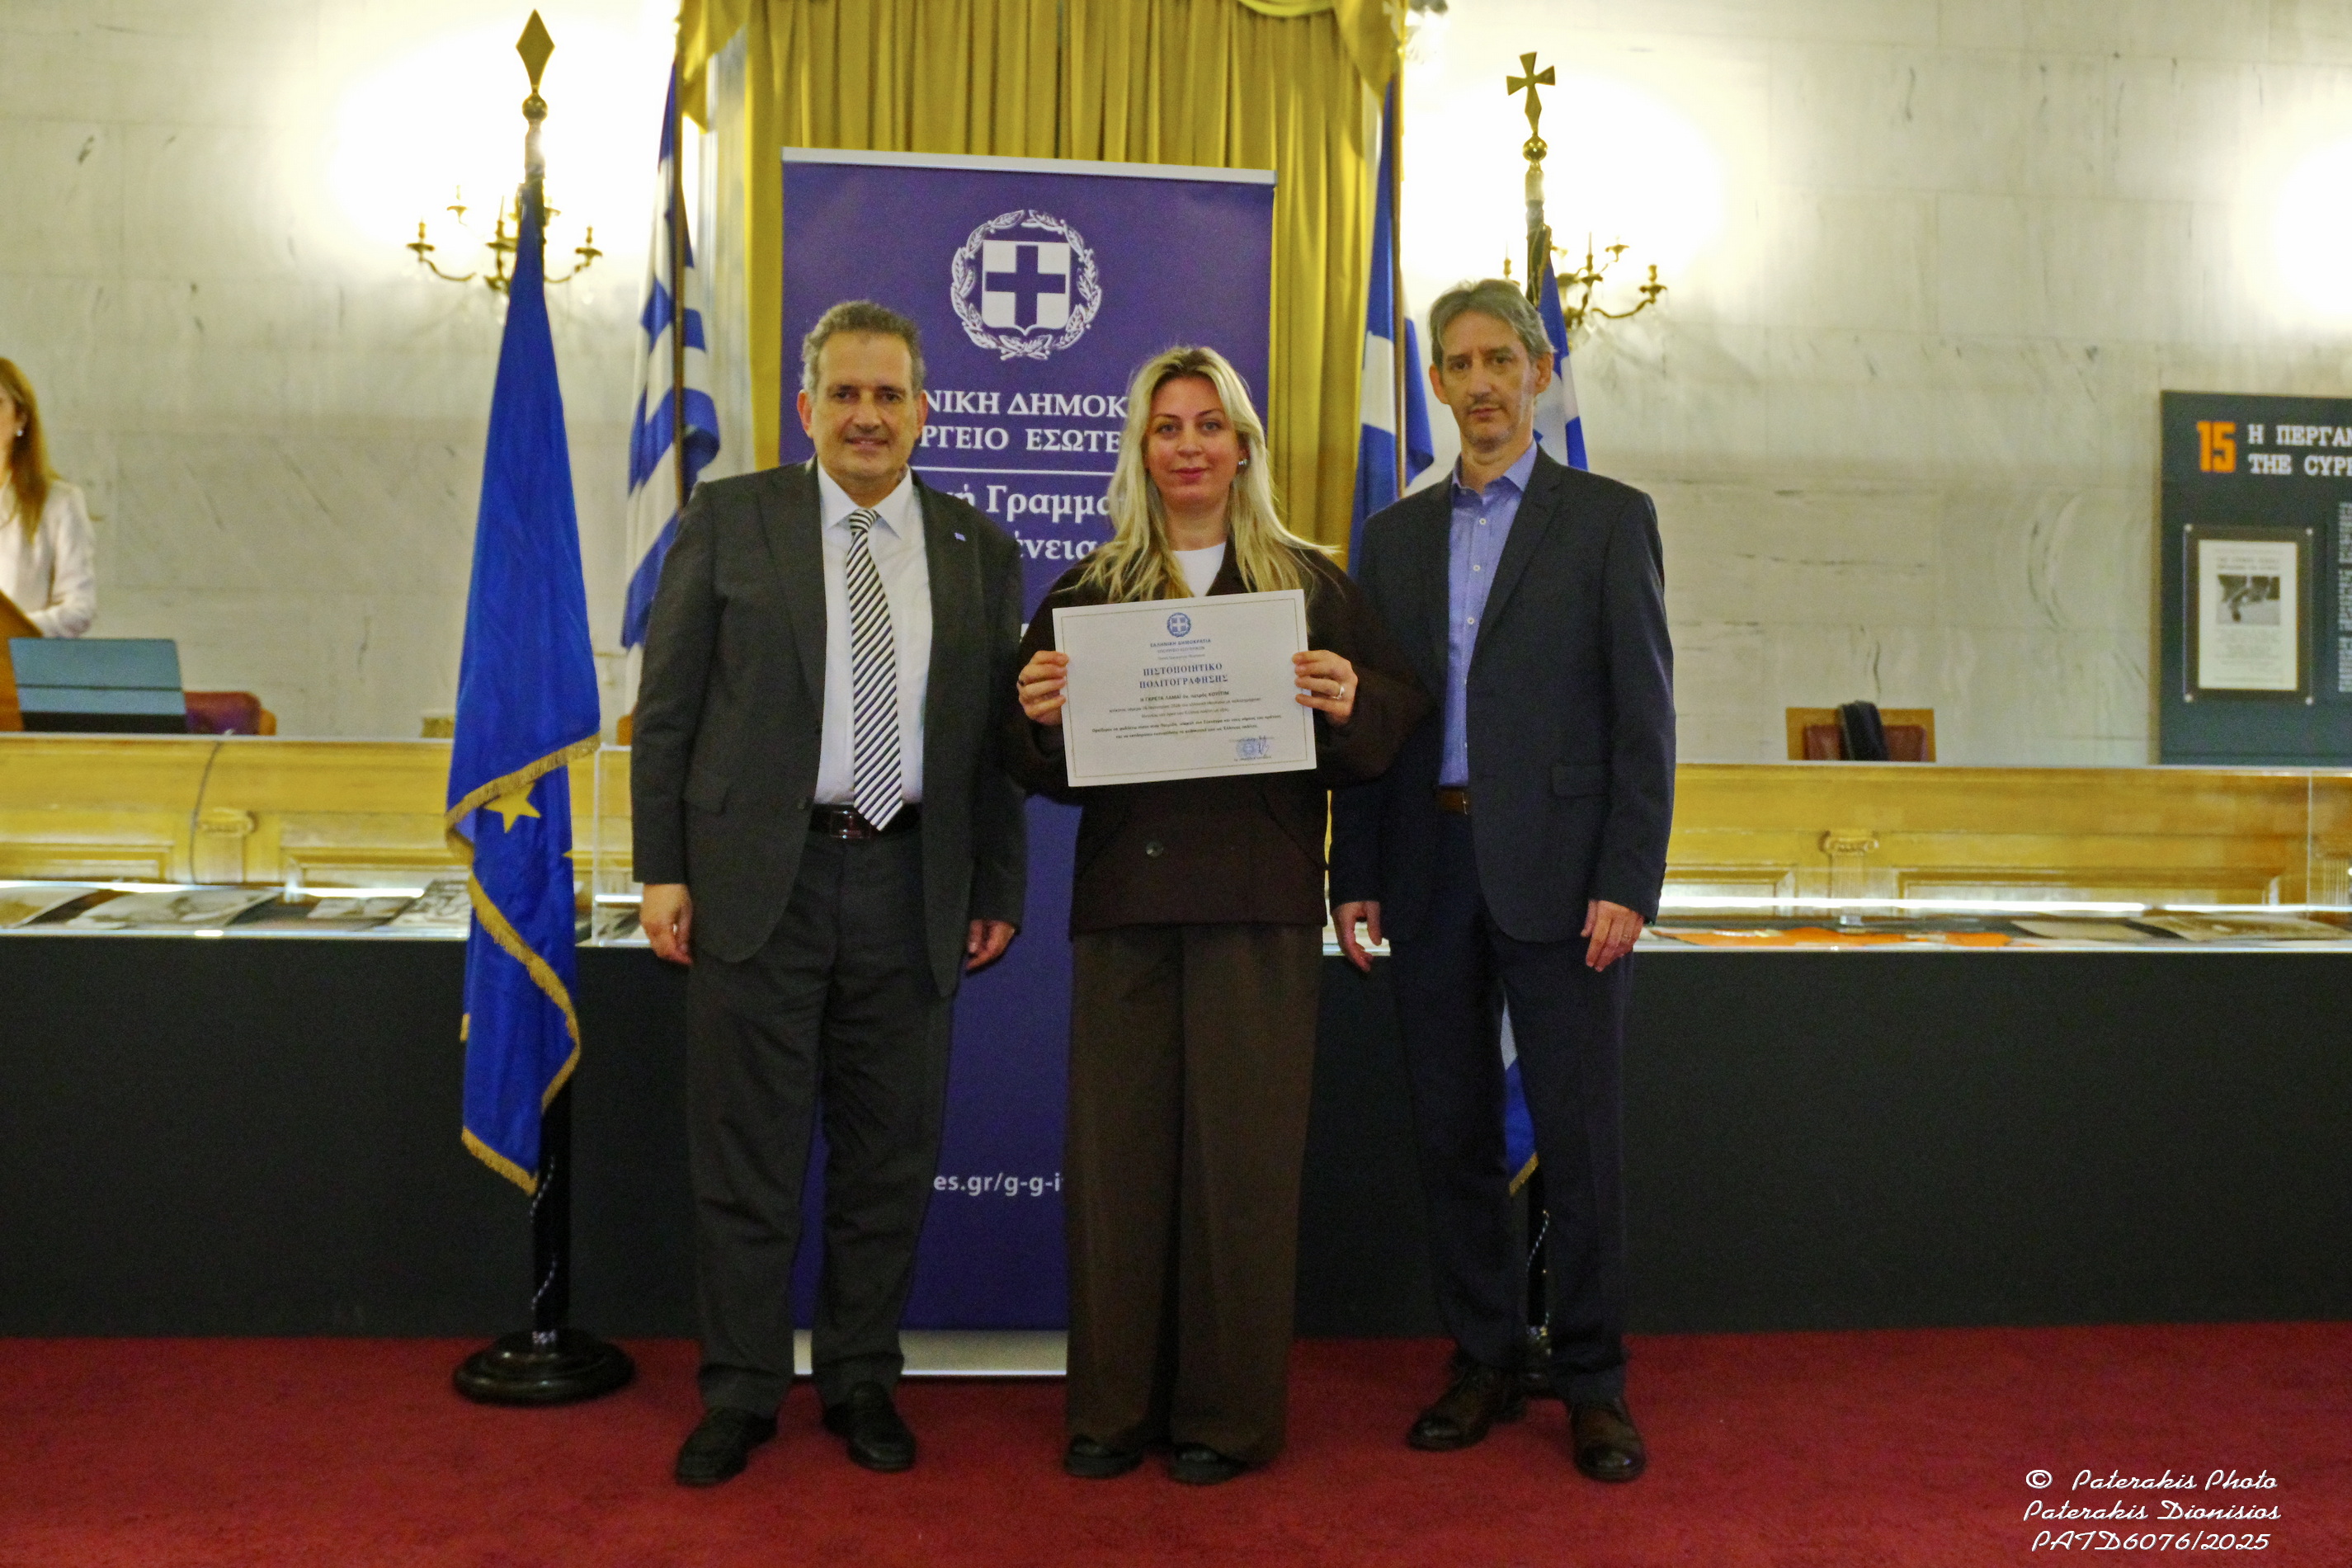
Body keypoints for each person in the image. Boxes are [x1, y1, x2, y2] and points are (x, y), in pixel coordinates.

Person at [1006, 346, 1427, 1486]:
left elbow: (1393, 717)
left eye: (1207, 425)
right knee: (1118, 1169)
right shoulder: (1089, 590)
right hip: (1125, 908)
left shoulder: (1311, 585)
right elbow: (1023, 752)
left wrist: (1349, 699)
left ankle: (1226, 1417)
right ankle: (1111, 1410)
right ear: (1139, 451)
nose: (1187, 445)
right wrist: (1033, 714)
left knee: (1242, 1168)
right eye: (1166, 426)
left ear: (1243, 447)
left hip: (1256, 907)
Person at [632, 300, 1028, 1486]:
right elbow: (668, 712)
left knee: (886, 1160)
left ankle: (860, 1377)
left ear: (923, 411)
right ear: (806, 408)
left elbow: (988, 742)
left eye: (887, 394)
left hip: (910, 882)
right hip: (758, 883)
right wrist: (661, 868)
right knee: (745, 1158)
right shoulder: (731, 519)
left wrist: (996, 877)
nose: (866, 415)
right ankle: (741, 1387)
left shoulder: (976, 547)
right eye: (844, 394)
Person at [1331, 280, 1675, 1482]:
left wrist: (1628, 876)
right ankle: (1480, 1357)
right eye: (1458, 365)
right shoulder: (1392, 538)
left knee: (1578, 1145)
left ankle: (1591, 1379)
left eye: (1498, 360)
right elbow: (1375, 722)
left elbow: (1644, 720)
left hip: (1566, 881)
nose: (1479, 383)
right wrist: (1355, 866)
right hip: (1428, 870)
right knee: (1453, 1135)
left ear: (1538, 371)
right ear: (1432, 384)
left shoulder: (1608, 520)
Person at [0, 359, 96, 638]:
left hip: (18, 658)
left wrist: (15, 631)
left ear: (21, 418)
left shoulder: (60, 502)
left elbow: (79, 608)